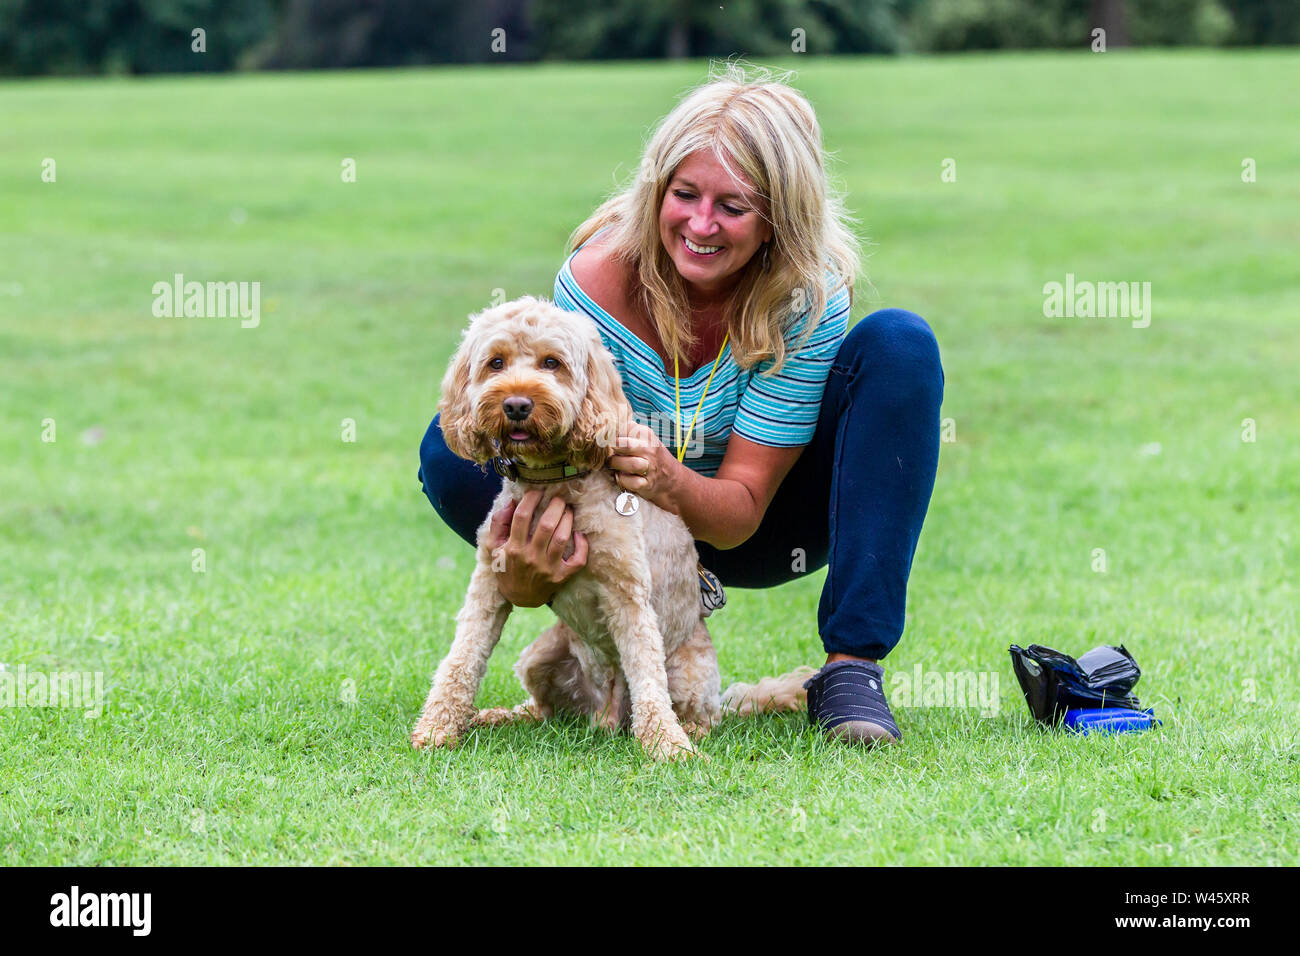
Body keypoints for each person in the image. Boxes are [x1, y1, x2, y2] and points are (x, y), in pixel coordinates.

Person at [418, 63, 943, 745]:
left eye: (733, 206)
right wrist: (520, 571)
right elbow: (568, 449)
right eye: (684, 194)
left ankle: (850, 671)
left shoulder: (806, 297)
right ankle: (584, 627)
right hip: (619, 521)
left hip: (754, 525)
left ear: (779, 220)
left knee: (900, 343)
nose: (701, 224)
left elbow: (738, 514)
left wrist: (667, 476)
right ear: (656, 189)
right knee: (447, 451)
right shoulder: (594, 279)